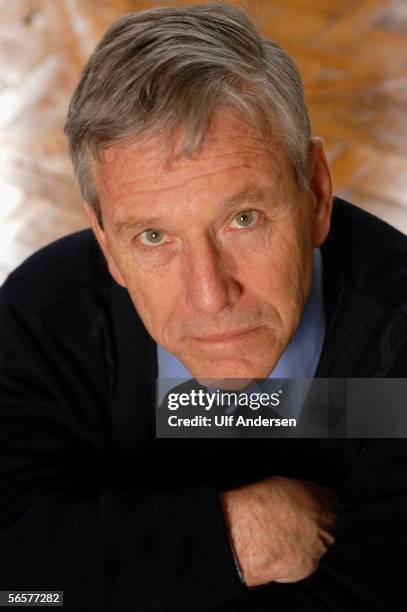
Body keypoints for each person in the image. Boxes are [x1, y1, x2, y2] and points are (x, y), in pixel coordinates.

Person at [0, 3, 406, 611]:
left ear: (317, 193)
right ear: (106, 244)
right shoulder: (44, 319)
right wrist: (232, 540)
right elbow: (14, 582)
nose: (211, 295)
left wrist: (110, 569)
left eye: (244, 219)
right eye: (154, 238)